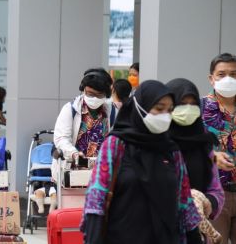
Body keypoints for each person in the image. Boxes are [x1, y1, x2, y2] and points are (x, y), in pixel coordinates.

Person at [81, 80, 202, 244]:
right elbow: (97, 196)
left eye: (169, 110)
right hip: (121, 237)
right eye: (159, 108)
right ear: (140, 107)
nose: (165, 115)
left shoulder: (171, 150)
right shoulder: (116, 144)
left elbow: (184, 201)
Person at [47, 68, 115, 213]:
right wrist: (74, 153)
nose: (94, 98)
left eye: (99, 95)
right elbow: (61, 139)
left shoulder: (111, 112)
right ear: (83, 89)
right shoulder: (70, 109)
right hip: (73, 170)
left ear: (106, 95)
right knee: (74, 213)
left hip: (100, 172)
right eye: (90, 94)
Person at [167, 78, 224, 242]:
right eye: (182, 103)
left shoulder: (203, 141)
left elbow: (216, 189)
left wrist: (205, 202)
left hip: (194, 231)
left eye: (193, 104)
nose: (188, 109)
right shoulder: (157, 140)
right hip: (161, 229)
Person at [203, 53, 236, 242]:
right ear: (211, 78)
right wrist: (212, 156)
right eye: (222, 74)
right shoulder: (199, 108)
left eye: (234, 74)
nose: (228, 79)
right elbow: (186, 150)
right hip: (215, 195)